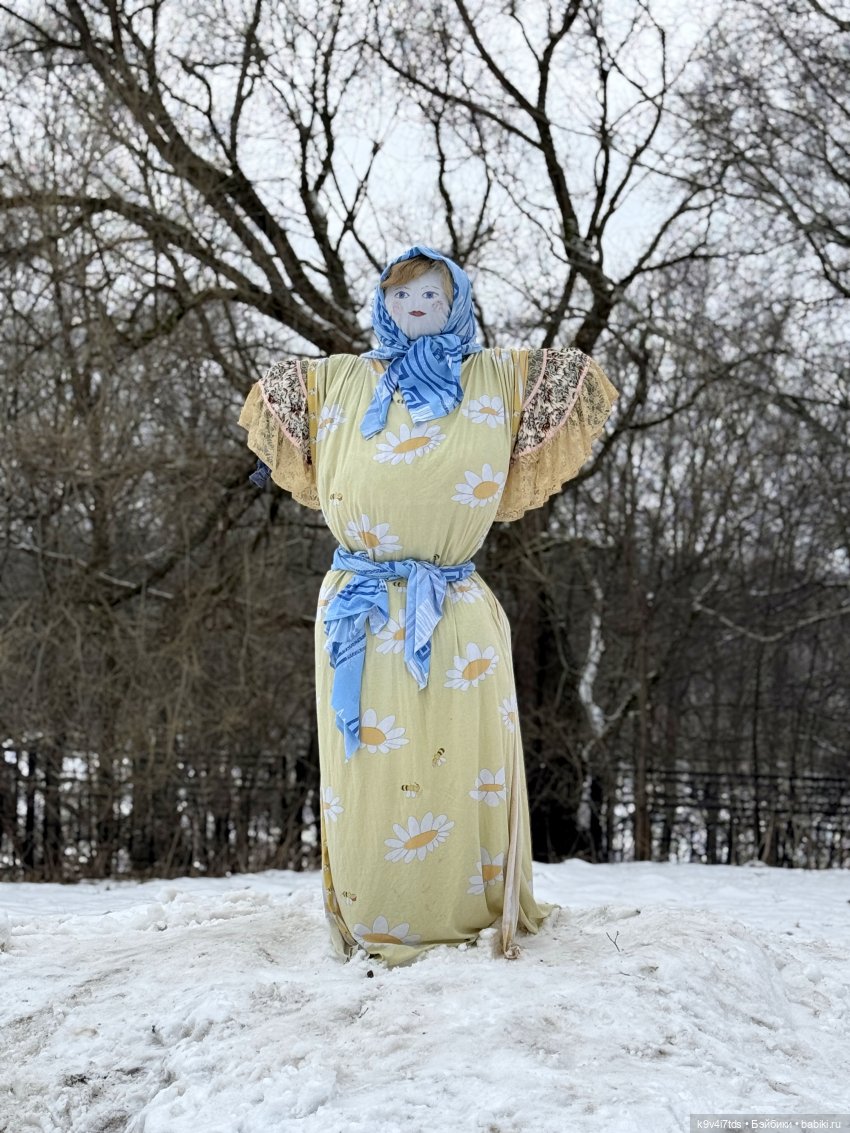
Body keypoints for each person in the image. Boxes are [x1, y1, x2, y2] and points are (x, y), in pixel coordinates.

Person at [238, 245, 618, 966]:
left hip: (452, 603)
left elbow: (573, 381)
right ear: (385, 307)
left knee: (460, 757)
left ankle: (462, 902)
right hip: (358, 608)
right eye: (403, 299)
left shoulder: (493, 381)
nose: (416, 310)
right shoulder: (345, 382)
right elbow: (276, 403)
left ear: (457, 304)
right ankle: (375, 904)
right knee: (369, 768)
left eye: (432, 298)